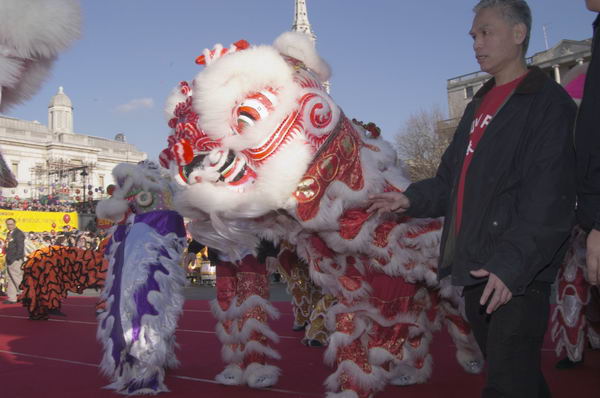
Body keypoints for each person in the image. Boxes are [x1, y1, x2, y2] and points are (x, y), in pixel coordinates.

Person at [368, 1, 576, 396]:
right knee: (516, 376)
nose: (476, 44)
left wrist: (511, 265)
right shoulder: (478, 104)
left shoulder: (548, 103)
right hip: (477, 266)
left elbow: (550, 198)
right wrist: (408, 200)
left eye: (486, 33)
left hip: (515, 273)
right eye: (473, 36)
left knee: (507, 383)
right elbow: (450, 180)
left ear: (519, 35)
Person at [4, 218, 26, 304]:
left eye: (11, 224)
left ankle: (27, 296)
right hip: (9, 259)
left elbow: (20, 248)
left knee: (17, 279)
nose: (10, 226)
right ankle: (12, 298)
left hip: (15, 260)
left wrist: (16, 258)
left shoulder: (18, 233)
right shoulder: (9, 233)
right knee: (10, 278)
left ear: (15, 223)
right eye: (8, 224)